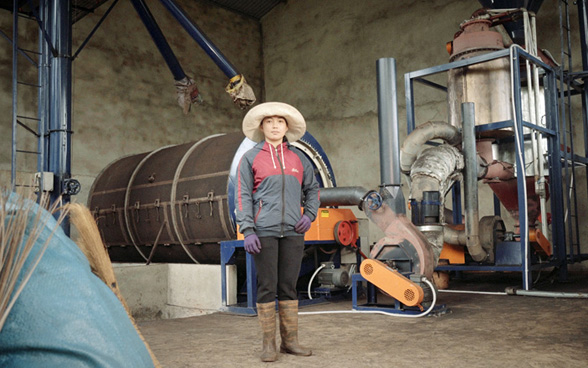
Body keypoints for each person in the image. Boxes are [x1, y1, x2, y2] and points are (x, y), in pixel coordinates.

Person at [236, 102, 320, 362]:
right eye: (269, 121)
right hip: (264, 231)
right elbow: (242, 196)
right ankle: (268, 344)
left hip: (294, 232)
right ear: (262, 127)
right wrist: (248, 229)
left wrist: (309, 215)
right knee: (266, 286)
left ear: (286, 127)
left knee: (288, 286)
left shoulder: (299, 158)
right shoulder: (250, 158)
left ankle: (290, 342)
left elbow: (313, 190)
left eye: (279, 121)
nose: (274, 126)